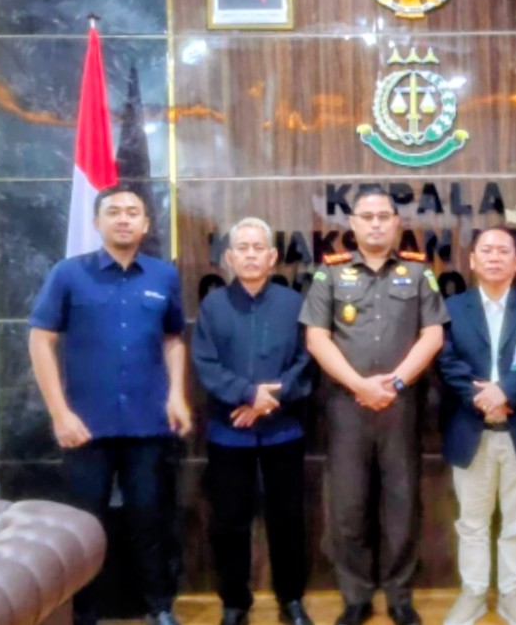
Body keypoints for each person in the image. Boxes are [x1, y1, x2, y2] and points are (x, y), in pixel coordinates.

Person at [28, 184, 192, 625]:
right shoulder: (68, 274)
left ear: (146, 224)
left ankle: (160, 607)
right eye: (114, 211)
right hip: (85, 426)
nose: (123, 219)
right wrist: (60, 413)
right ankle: (83, 614)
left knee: (150, 520)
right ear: (97, 222)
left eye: (132, 212)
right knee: (84, 528)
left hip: (148, 423)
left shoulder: (163, 276)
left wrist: (177, 394)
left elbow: (173, 338)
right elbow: (40, 340)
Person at [299, 186, 449, 625]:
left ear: (397, 223)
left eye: (384, 216)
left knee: (402, 504)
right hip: (347, 408)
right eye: (367, 217)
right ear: (352, 224)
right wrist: (359, 385)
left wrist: (395, 382)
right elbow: (316, 338)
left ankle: (400, 596)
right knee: (348, 506)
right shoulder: (330, 274)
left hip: (401, 407)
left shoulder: (418, 273)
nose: (376, 224)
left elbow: (433, 335)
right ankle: (357, 596)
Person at [191, 217, 314, 625]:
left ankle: (291, 600)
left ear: (272, 256)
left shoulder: (294, 304)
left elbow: (305, 361)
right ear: (228, 257)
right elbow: (206, 364)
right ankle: (235, 603)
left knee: (288, 520)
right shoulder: (212, 305)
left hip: (283, 430)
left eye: (257, 247)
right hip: (230, 432)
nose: (249, 255)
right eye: (241, 248)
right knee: (229, 522)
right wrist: (247, 394)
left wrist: (265, 402)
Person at [437, 227, 516, 625]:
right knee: (471, 523)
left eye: (503, 251)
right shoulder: (453, 308)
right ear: (472, 261)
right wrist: (482, 399)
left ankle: (512, 595)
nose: (494, 257)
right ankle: (473, 594)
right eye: (486, 250)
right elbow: (447, 362)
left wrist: (505, 393)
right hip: (471, 429)